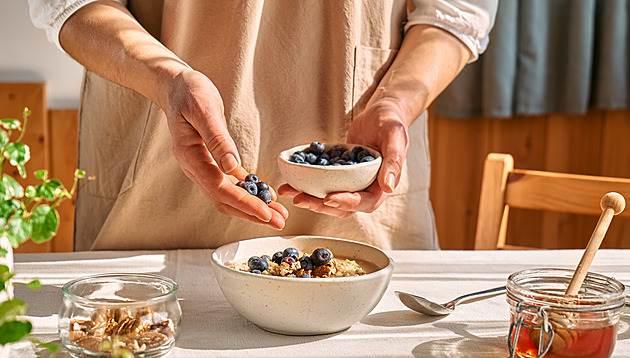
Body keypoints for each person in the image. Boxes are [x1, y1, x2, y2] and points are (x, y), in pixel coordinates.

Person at [28, 0, 497, 250]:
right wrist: (167, 77)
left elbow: (455, 12)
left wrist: (396, 101)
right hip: (153, 195)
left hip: (361, 220)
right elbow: (69, 3)